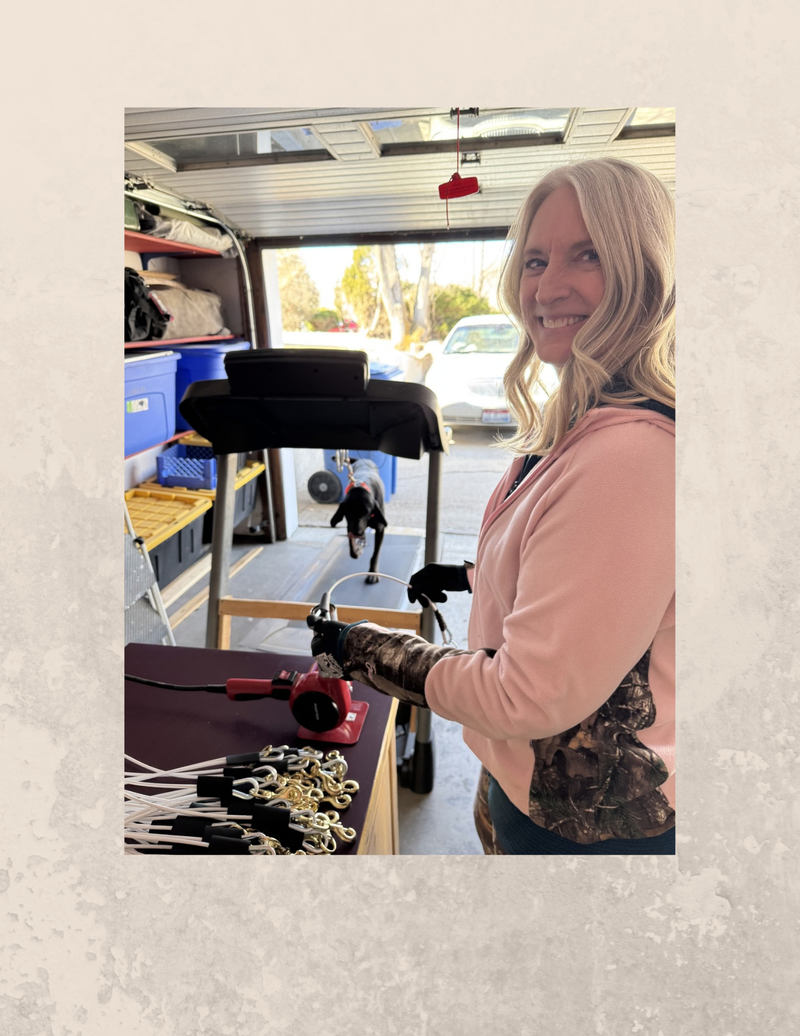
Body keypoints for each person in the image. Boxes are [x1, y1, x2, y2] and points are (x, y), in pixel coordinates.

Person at [311, 157, 675, 855]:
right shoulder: (585, 419)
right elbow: (579, 584)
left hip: (589, 829)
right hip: (526, 782)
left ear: (645, 270)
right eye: (535, 260)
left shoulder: (629, 456)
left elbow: (525, 695)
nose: (549, 286)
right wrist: (474, 578)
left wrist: (367, 650)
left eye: (589, 255)